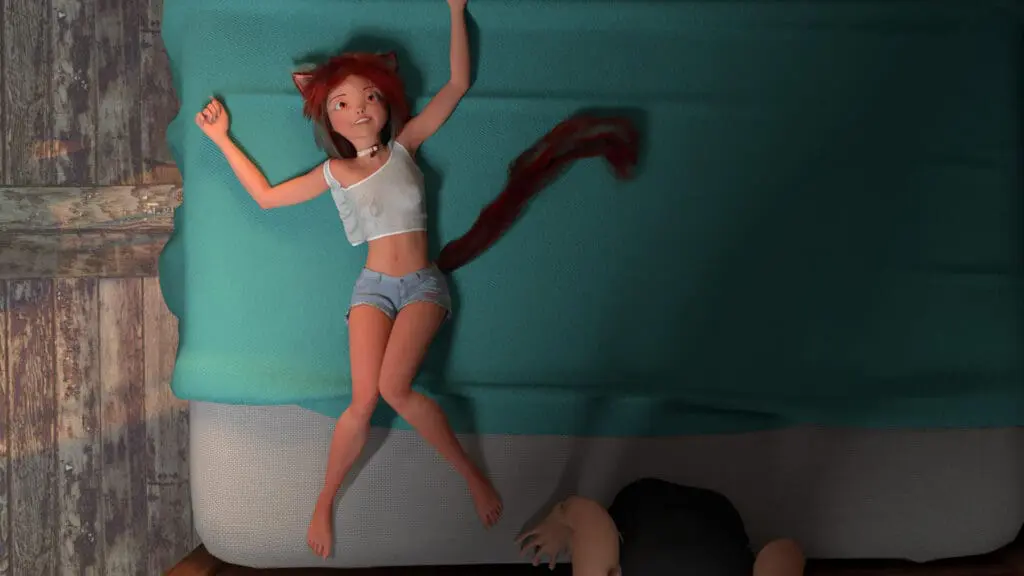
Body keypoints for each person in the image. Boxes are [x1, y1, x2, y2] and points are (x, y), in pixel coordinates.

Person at [194, 0, 503, 559]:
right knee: (362, 400)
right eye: (341, 102)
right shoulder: (335, 173)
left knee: (394, 388)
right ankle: (325, 498)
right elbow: (266, 198)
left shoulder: (406, 147)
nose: (358, 109)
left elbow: (458, 84)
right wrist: (221, 139)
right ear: (326, 117)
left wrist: (456, 10)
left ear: (386, 102)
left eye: (369, 97)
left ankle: (469, 474)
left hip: (422, 284)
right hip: (372, 289)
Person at [517, 478, 805, 576]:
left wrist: (562, 519)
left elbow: (591, 517)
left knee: (597, 550)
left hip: (644, 510)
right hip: (719, 522)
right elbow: (787, 550)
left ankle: (564, 517)